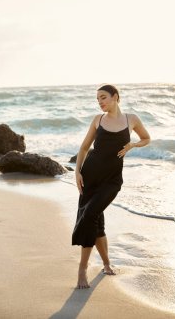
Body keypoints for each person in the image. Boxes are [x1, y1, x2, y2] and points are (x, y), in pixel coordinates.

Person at [72, 84, 151, 289]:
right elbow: (83, 147)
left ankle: (83, 267)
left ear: (115, 97)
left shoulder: (130, 119)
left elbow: (147, 138)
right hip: (90, 176)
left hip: (112, 180)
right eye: (98, 99)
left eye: (103, 97)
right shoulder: (98, 120)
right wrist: (77, 171)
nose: (100, 102)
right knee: (95, 220)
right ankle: (105, 264)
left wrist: (133, 145)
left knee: (89, 215)